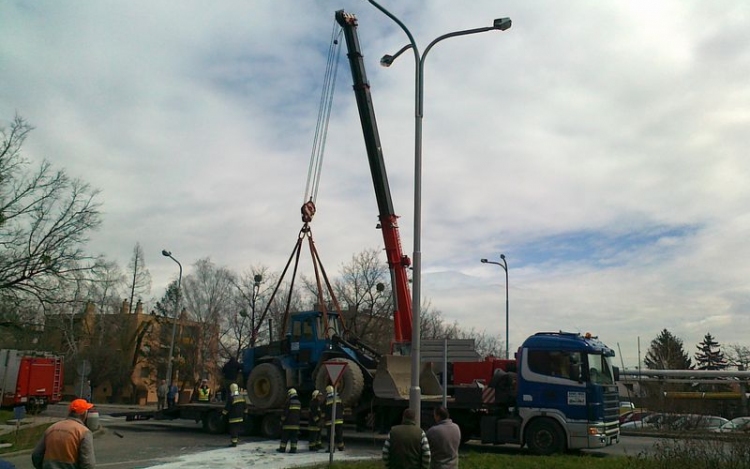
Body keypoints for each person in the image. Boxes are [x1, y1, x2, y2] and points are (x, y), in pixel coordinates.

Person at [31, 398, 96, 469]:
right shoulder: (83, 432)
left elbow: (36, 455)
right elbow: (88, 464)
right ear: (84, 414)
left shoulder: (52, 428)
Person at [221, 383, 248, 447]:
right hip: (240, 417)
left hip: (233, 418)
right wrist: (245, 415)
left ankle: (234, 443)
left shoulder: (231, 398)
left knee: (233, 430)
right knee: (237, 430)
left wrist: (222, 415)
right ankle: (235, 441)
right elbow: (245, 407)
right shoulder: (242, 396)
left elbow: (227, 408)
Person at [277, 388, 301, 453]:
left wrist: (282, 421)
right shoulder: (299, 403)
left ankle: (282, 449)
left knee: (285, 438)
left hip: (288, 424)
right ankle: (293, 449)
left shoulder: (289, 402)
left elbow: (285, 413)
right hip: (296, 424)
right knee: (294, 438)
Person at [324, 385, 344, 452]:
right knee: (339, 434)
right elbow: (342, 408)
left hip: (331, 421)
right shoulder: (338, 398)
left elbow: (326, 411)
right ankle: (341, 447)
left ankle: (331, 449)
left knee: (330, 436)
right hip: (339, 420)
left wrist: (325, 420)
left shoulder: (327, 400)